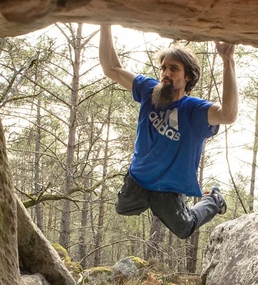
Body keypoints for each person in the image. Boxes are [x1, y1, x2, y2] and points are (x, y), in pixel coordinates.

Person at [99, 25, 239, 239]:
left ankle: (214, 199)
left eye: (174, 69)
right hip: (138, 179)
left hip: (168, 188)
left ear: (187, 78)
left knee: (184, 229)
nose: (166, 73)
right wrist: (104, 22)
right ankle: (149, 202)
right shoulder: (148, 90)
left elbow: (228, 114)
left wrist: (228, 61)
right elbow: (111, 68)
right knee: (122, 208)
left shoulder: (194, 110)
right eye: (164, 68)